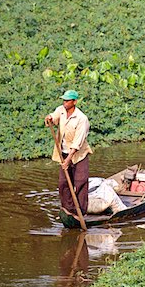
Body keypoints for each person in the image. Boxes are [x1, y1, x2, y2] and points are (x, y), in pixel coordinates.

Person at [44, 90, 93, 221]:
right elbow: (54, 118)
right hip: (63, 153)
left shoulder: (82, 119)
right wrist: (49, 118)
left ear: (74, 102)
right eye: (64, 100)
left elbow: (77, 143)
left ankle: (81, 212)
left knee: (80, 182)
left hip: (78, 155)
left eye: (67, 101)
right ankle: (68, 209)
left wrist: (68, 160)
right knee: (63, 183)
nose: (64, 103)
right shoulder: (61, 110)